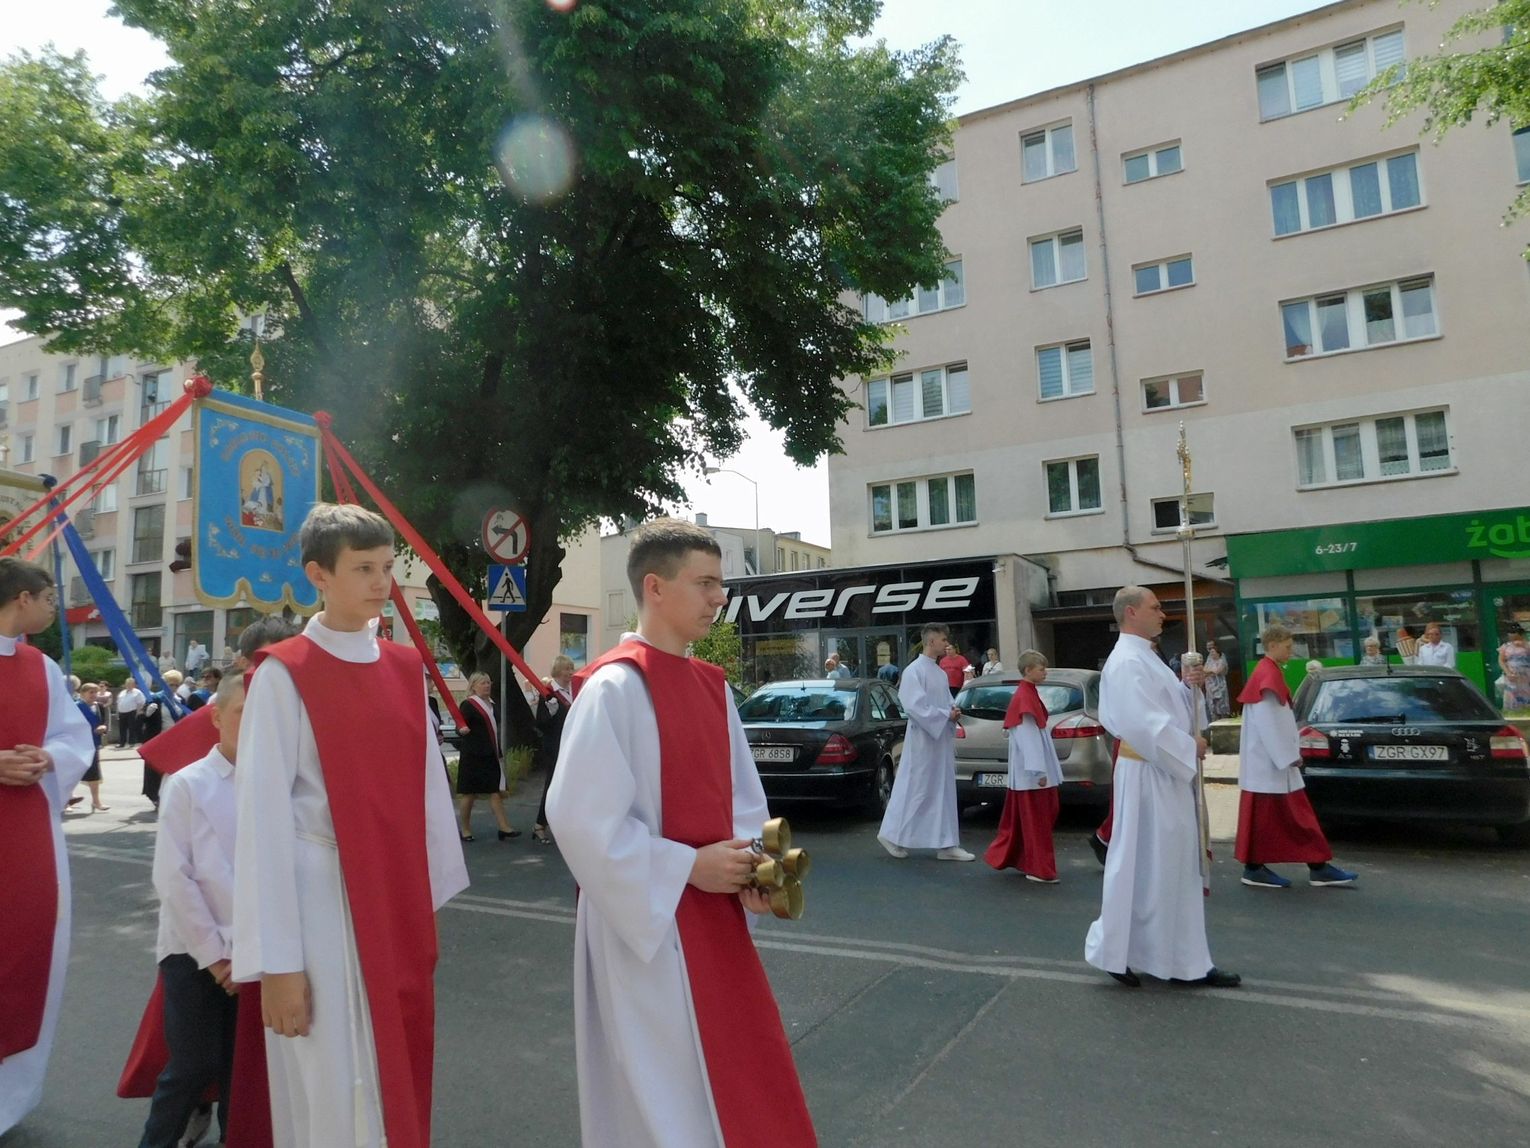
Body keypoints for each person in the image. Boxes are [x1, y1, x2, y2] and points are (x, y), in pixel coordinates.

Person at [546, 518, 816, 1147]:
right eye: (705, 583)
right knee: (660, 1091)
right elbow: (580, 817)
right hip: (644, 921)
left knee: (729, 1078)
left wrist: (752, 869)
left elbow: (745, 799)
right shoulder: (614, 687)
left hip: (711, 914)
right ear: (655, 587)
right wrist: (687, 866)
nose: (719, 597)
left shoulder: (712, 686)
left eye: (720, 584)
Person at [231, 503, 468, 1148]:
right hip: (316, 894)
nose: (380, 582)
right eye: (363, 569)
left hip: (392, 892)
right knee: (333, 1072)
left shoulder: (403, 668)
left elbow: (428, 792)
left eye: (387, 568)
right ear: (319, 575)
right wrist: (277, 963)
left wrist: (426, 901)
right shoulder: (282, 674)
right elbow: (260, 819)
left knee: (398, 1058)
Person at [1084, 585, 1240, 989]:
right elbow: (1143, 724)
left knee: (1171, 867)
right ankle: (1118, 951)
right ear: (1131, 612)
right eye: (1155, 607)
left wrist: (1189, 687)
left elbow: (1171, 711)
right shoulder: (1126, 661)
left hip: (1163, 774)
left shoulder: (1146, 657)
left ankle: (1183, 961)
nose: (1162, 614)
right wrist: (1189, 746)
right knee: (1143, 865)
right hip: (1147, 774)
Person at [0, 558, 95, 1134]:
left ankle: (7, 1099)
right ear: (22, 598)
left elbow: (72, 735)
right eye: (49, 598)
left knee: (24, 953)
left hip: (27, 831)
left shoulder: (42, 666)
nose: (54, 607)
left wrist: (50, 757)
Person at [136, 674, 246, 1148]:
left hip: (255, 950)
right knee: (193, 1065)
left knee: (244, 1072)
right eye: (242, 713)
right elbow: (173, 877)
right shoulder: (187, 784)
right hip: (193, 950)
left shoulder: (282, 783)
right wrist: (217, 957)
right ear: (217, 717)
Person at [1236, 623, 1357, 891]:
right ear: (1272, 645)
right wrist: (1289, 756)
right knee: (1295, 819)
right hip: (1272, 765)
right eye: (1288, 647)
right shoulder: (1267, 676)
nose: (1291, 651)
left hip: (1270, 765)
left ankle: (1305, 867)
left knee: (1278, 820)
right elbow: (1269, 724)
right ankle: (1313, 867)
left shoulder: (1267, 672)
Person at [139, 617, 301, 781]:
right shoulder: (220, 717)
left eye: (293, 662)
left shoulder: (306, 712)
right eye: (272, 663)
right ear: (244, 663)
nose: (284, 673)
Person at [878, 623, 974, 862]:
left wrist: (953, 711)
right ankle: (891, 835)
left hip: (940, 741)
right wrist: (944, 715)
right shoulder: (914, 671)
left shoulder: (939, 672)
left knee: (943, 790)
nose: (946, 644)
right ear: (931, 641)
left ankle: (947, 843)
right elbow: (914, 706)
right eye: (943, 640)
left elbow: (945, 700)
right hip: (922, 741)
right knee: (916, 789)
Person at [982, 650, 1061, 882]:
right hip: (1032, 775)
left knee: (1033, 821)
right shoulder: (1025, 698)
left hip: (1031, 772)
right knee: (1038, 822)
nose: (1045, 673)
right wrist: (1039, 771)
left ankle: (1028, 861)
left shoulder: (1027, 694)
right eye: (1041, 669)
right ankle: (1039, 868)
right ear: (1028, 671)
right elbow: (1028, 738)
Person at [455, 671, 518, 842]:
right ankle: (465, 829)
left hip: (490, 754)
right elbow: (459, 725)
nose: (487, 686)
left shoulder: (492, 705)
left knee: (495, 791)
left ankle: (504, 827)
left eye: (488, 682)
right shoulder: (468, 705)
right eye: (483, 683)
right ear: (473, 686)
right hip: (472, 755)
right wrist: (461, 730)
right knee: (469, 793)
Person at [532, 655, 575, 845]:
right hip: (555, 746)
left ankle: (565, 825)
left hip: (572, 744)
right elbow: (541, 724)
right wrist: (551, 712)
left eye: (571, 668)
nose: (570, 672)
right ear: (557, 671)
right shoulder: (548, 693)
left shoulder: (574, 690)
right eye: (566, 669)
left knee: (571, 786)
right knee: (553, 785)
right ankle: (540, 824)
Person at [69, 678, 110, 812]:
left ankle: (96, 801)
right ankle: (66, 800)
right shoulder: (75, 707)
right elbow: (71, 725)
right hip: (78, 744)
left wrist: (103, 727)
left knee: (94, 773)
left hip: (93, 744)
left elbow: (105, 722)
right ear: (82, 694)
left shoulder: (100, 707)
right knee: (72, 773)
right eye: (90, 692)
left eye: (95, 692)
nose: (93, 695)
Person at [1498, 625, 1530, 711]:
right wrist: (1507, 672)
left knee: (1526, 692)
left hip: (1526, 676)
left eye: (1515, 635)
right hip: (1512, 675)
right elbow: (1501, 660)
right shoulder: (1506, 646)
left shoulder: (1528, 645)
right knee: (1512, 693)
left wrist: (1525, 646)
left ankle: (1526, 709)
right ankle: (1512, 710)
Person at [1203, 640, 1231, 720]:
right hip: (1210, 688)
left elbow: (1217, 671)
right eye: (1209, 650)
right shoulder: (1209, 659)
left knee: (1222, 708)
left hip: (1220, 687)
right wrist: (1211, 671)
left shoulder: (1222, 659)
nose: (1211, 653)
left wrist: (1210, 671)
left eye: (1212, 651)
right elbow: (1204, 670)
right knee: (1212, 708)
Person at [118, 679, 147, 747]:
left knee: (132, 728)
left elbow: (142, 702)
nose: (128, 685)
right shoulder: (122, 692)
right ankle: (122, 743)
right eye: (127, 683)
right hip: (122, 712)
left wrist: (138, 711)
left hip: (132, 712)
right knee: (122, 728)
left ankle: (131, 742)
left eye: (130, 683)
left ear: (133, 685)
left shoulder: (137, 692)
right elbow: (118, 702)